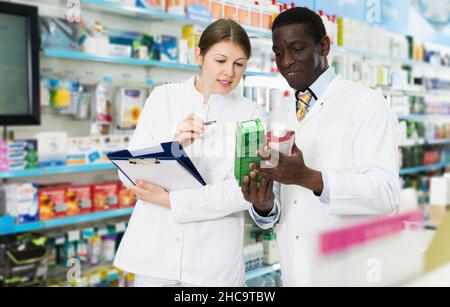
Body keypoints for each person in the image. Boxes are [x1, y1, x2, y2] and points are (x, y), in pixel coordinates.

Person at [242, 7, 401, 286]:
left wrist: (307, 177)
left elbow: (386, 193)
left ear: (324, 45)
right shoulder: (279, 115)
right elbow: (279, 208)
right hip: (295, 271)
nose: (286, 61)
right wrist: (264, 205)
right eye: (278, 53)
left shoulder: (366, 104)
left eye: (297, 48)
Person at [114, 19, 265, 287]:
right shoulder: (163, 98)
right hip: (155, 257)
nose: (229, 72)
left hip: (213, 263)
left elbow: (244, 192)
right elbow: (129, 176)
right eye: (220, 60)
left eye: (239, 64)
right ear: (199, 55)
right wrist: (172, 147)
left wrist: (171, 201)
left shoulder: (251, 114)